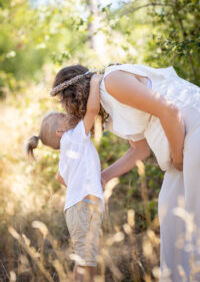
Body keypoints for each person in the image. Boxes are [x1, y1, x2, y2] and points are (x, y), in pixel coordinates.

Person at [51, 63, 200, 281]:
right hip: (181, 147)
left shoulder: (112, 82)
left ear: (74, 94)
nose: (67, 110)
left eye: (65, 103)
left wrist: (178, 158)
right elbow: (140, 150)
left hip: (194, 130)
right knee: (171, 216)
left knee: (195, 221)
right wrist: (104, 177)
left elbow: (169, 110)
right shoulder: (109, 114)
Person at [27, 73, 104, 282]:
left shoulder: (67, 151)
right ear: (61, 131)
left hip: (77, 207)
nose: (68, 113)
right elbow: (93, 110)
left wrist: (82, 182)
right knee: (86, 263)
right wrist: (96, 81)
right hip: (85, 205)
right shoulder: (75, 136)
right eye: (63, 116)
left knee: (87, 261)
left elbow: (61, 178)